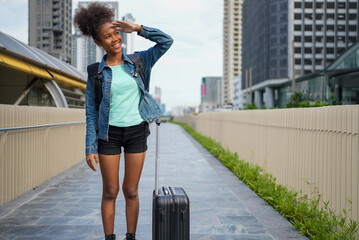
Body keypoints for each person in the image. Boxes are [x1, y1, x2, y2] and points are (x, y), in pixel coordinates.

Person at [73, 2, 173, 240]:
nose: (114, 39)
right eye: (107, 36)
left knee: (130, 190)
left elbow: (166, 41)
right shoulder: (95, 72)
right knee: (110, 191)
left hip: (137, 131)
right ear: (99, 43)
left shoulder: (139, 61)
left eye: (116, 32)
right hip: (108, 135)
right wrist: (90, 147)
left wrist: (137, 28)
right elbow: (90, 112)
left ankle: (131, 236)